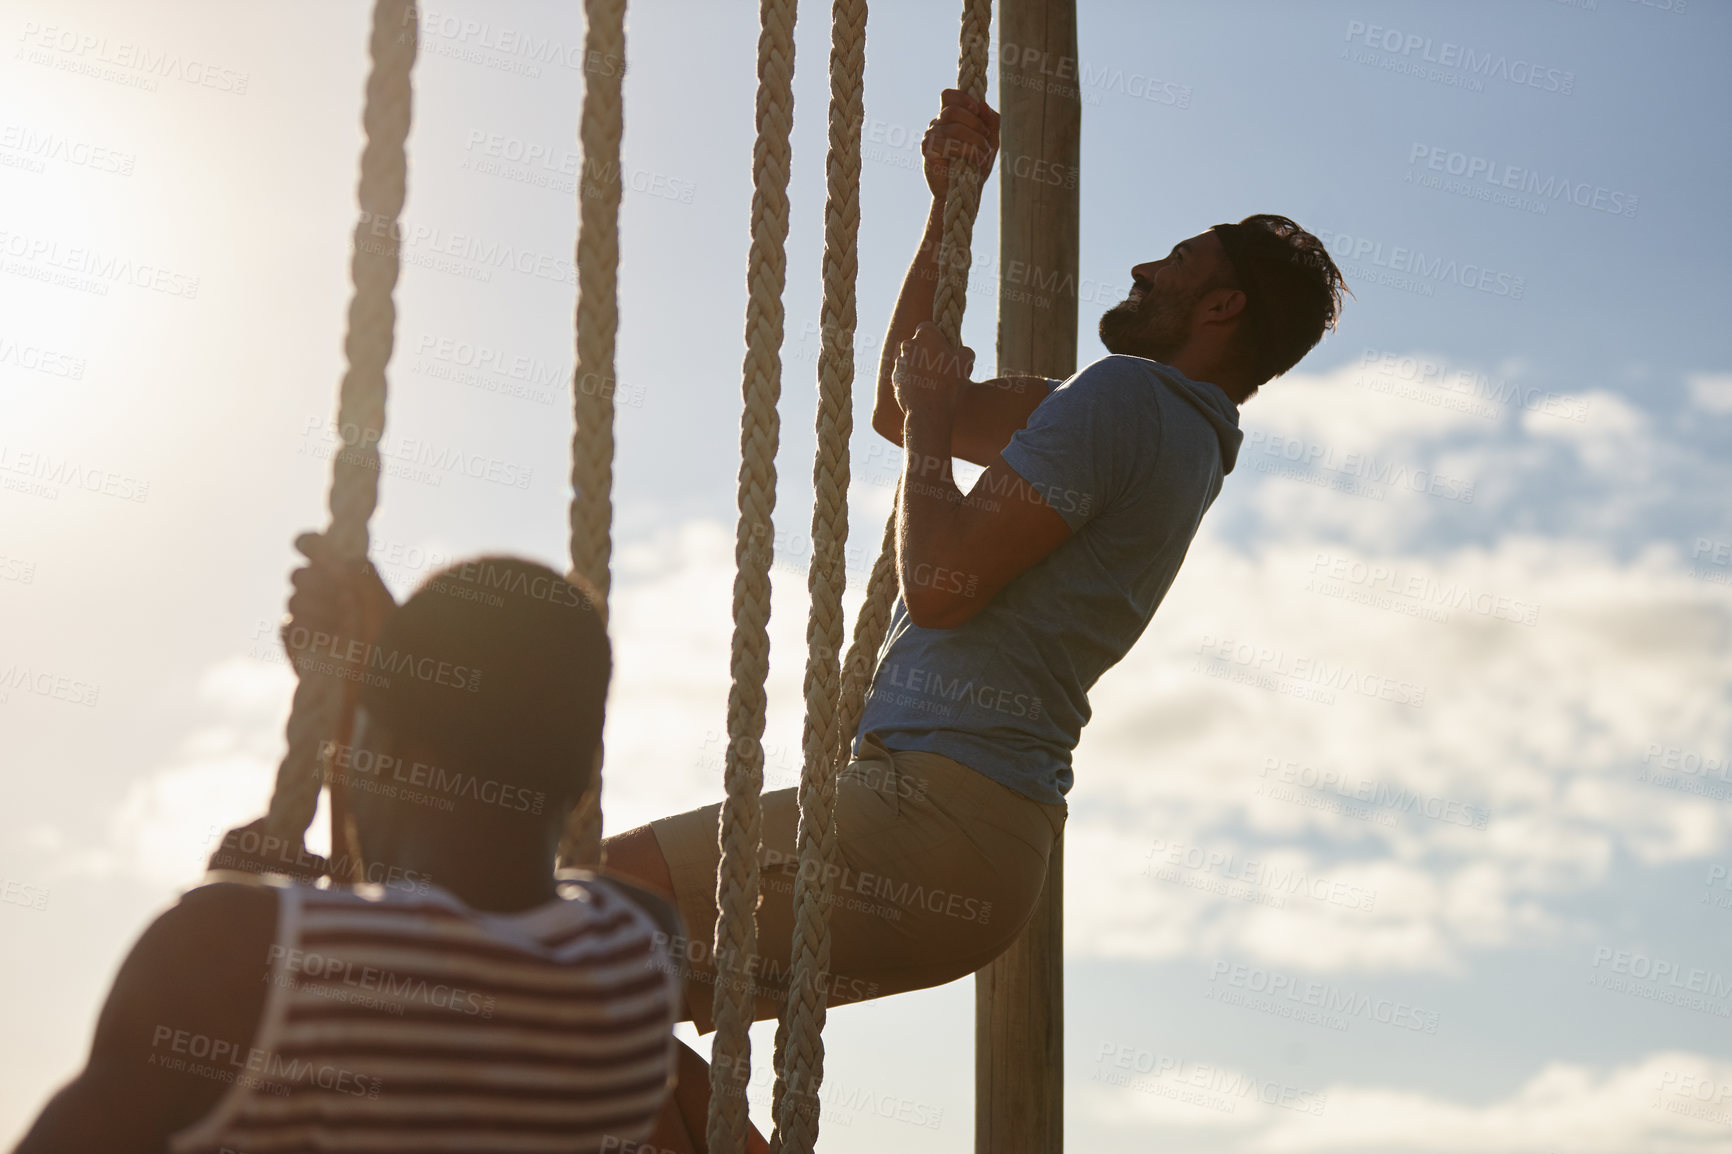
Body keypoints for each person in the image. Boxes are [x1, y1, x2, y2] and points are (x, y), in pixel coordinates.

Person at [602, 84, 1349, 1123]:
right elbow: (901, 403)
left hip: (931, 816)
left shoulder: (1125, 398)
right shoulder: (1173, 431)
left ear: (1220, 308)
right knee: (598, 1009)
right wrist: (949, 204)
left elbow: (941, 583)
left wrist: (926, 431)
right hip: (971, 848)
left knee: (585, 910)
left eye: (1177, 261)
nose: (1143, 266)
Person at [12, 553, 745, 1154]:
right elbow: (442, 947)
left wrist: (236, 888)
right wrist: (393, 682)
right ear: (587, 777)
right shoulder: (637, 953)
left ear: (387, 749)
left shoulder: (228, 949)